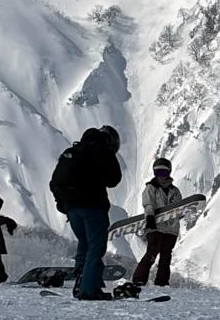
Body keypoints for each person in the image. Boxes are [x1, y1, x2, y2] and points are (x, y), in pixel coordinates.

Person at [49, 125, 123, 300]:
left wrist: (64, 204)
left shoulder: (73, 151)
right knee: (96, 248)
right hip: (93, 207)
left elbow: (55, 182)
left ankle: (84, 277)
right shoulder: (102, 150)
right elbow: (114, 180)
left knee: (85, 243)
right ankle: (89, 290)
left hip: (71, 209)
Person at [132, 156, 191, 289]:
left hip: (171, 228)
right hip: (156, 226)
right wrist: (150, 217)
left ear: (169, 172)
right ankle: (139, 278)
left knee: (166, 255)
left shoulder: (175, 191)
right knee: (153, 251)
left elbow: (179, 207)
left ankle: (162, 281)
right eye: (157, 173)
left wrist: (179, 216)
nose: (161, 176)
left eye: (163, 173)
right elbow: (148, 204)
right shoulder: (151, 188)